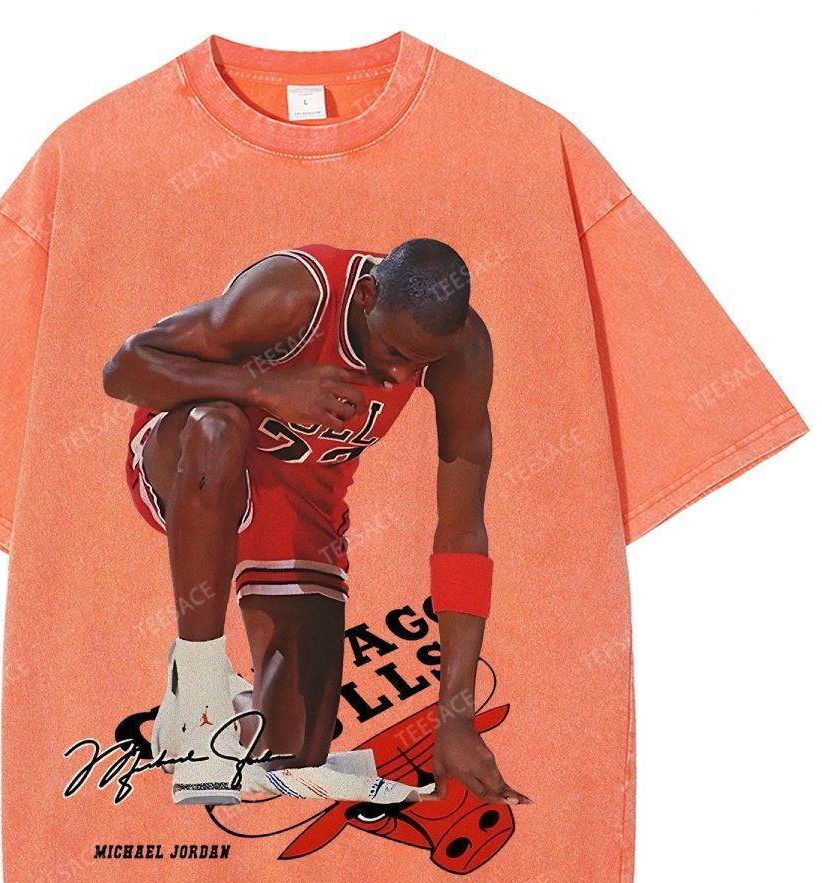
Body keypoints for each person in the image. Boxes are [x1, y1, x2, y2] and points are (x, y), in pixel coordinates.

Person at [103, 239, 531, 809]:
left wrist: (456, 715)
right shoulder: (294, 293)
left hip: (302, 506)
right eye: (393, 350)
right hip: (193, 465)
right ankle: (199, 692)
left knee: (294, 756)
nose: (400, 373)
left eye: (419, 363)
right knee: (219, 427)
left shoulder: (462, 351)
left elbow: (462, 534)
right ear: (367, 294)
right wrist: (265, 388)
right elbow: (124, 369)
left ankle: (231, 708)